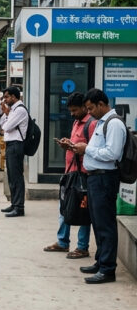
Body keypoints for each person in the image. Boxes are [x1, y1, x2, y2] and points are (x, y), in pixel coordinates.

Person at [73, 88, 127, 284]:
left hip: (105, 178)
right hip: (95, 178)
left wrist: (86, 148)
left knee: (105, 224)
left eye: (91, 108)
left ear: (102, 105)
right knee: (97, 222)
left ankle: (107, 269)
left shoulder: (113, 124)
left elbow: (111, 153)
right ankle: (100, 261)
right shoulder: (102, 123)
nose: (89, 113)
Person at [44, 92, 94, 259]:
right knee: (64, 207)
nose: (72, 113)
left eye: (75, 110)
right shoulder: (76, 122)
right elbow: (76, 144)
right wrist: (68, 144)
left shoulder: (91, 124)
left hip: (83, 174)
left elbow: (91, 149)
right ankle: (63, 241)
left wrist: (74, 147)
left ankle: (82, 246)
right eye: (70, 110)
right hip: (70, 172)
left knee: (82, 211)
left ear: (83, 108)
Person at [0, 86, 28, 217]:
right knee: (11, 176)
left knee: (16, 177)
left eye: (6, 97)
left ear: (13, 97)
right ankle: (14, 204)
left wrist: (7, 116)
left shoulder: (20, 110)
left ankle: (19, 207)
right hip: (11, 144)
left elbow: (6, 126)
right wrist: (7, 114)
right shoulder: (13, 110)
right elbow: (2, 123)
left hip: (16, 145)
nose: (4, 100)